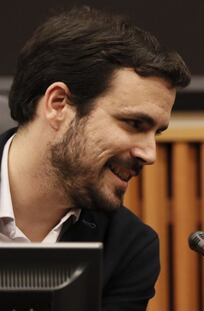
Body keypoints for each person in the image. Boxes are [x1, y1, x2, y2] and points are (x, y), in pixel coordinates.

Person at [2, 6, 190, 311]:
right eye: (134, 124)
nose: (150, 154)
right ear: (59, 104)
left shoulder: (129, 248)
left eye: (156, 133)